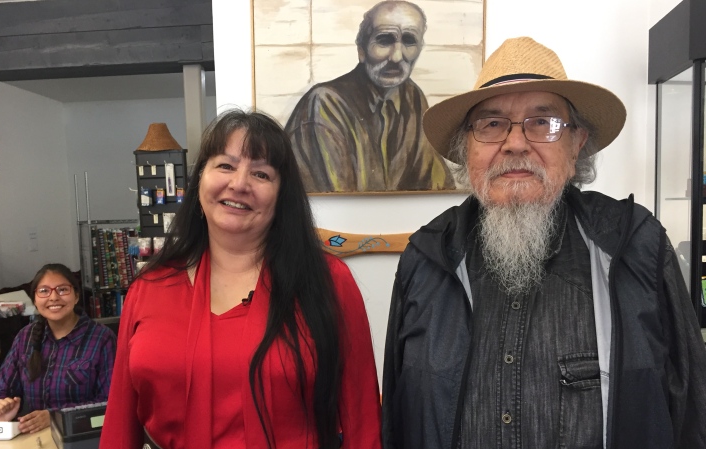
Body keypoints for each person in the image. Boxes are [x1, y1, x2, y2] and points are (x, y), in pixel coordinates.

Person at [382, 37, 706, 449]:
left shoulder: (635, 245)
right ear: (467, 148)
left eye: (543, 122)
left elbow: (693, 409)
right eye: (492, 123)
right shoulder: (425, 258)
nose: (515, 144)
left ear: (576, 143)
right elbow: (396, 417)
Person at [100, 110, 382, 449]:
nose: (239, 183)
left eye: (261, 173)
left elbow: (362, 418)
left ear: (281, 196)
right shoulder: (149, 287)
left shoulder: (329, 282)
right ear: (199, 179)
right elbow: (119, 419)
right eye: (225, 165)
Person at [284, 0, 453, 193]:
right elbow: (338, 203)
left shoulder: (411, 96)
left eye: (409, 41)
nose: (397, 57)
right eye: (384, 40)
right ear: (362, 50)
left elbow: (437, 184)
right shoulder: (324, 103)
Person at [0, 263, 116, 434]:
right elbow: (4, 390)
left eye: (63, 290)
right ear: (34, 299)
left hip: (82, 438)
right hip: (33, 438)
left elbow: (109, 403)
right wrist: (1, 415)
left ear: (76, 296)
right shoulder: (25, 337)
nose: (54, 297)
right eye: (44, 291)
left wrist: (55, 417)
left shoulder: (102, 339)